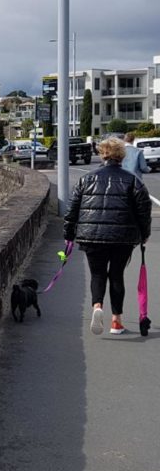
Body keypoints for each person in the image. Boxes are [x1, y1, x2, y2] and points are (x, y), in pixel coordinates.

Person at [64, 137, 152, 335]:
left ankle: (97, 306)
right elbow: (143, 211)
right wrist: (144, 234)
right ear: (121, 155)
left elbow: (72, 210)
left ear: (102, 154)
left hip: (91, 236)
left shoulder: (86, 179)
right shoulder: (132, 180)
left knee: (97, 274)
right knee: (116, 275)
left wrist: (69, 235)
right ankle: (116, 321)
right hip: (122, 237)